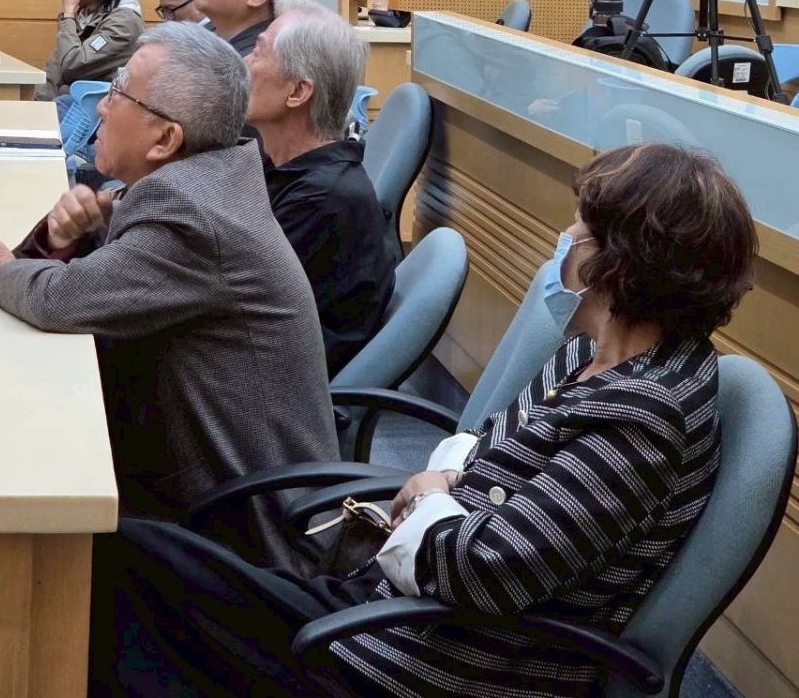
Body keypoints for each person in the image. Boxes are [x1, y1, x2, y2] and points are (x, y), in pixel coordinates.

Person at [87, 142, 757, 697]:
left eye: (579, 230)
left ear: (619, 263)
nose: (563, 243)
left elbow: (489, 569)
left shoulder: (640, 415)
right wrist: (447, 488)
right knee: (124, 554)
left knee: (116, 570)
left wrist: (431, 500)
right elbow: (490, 452)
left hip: (426, 663)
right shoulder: (593, 354)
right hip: (392, 611)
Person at [0, 23, 339, 565]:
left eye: (118, 92)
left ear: (165, 140)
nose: (101, 107)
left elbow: (61, 301)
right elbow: (102, 284)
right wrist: (62, 239)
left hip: (242, 534)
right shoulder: (204, 180)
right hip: (202, 479)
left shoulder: (190, 214)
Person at [246, 0, 394, 376]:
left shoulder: (323, 200)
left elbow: (221, 296)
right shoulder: (285, 167)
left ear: (297, 92)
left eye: (257, 53)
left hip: (268, 393)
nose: (242, 64)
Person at [37, 0, 144, 100]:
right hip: (62, 105)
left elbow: (73, 65)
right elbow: (55, 69)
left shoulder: (124, 24)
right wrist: (37, 105)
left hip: (91, 110)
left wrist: (68, 14)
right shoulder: (87, 14)